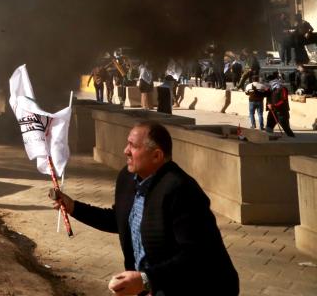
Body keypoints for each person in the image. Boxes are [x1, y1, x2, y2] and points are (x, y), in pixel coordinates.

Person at [50, 121, 239, 295]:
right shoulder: (127, 178)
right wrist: (74, 207)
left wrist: (146, 279)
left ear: (156, 155)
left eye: (133, 146)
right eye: (127, 144)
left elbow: (197, 256)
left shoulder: (181, 190)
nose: (125, 151)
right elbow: (120, 219)